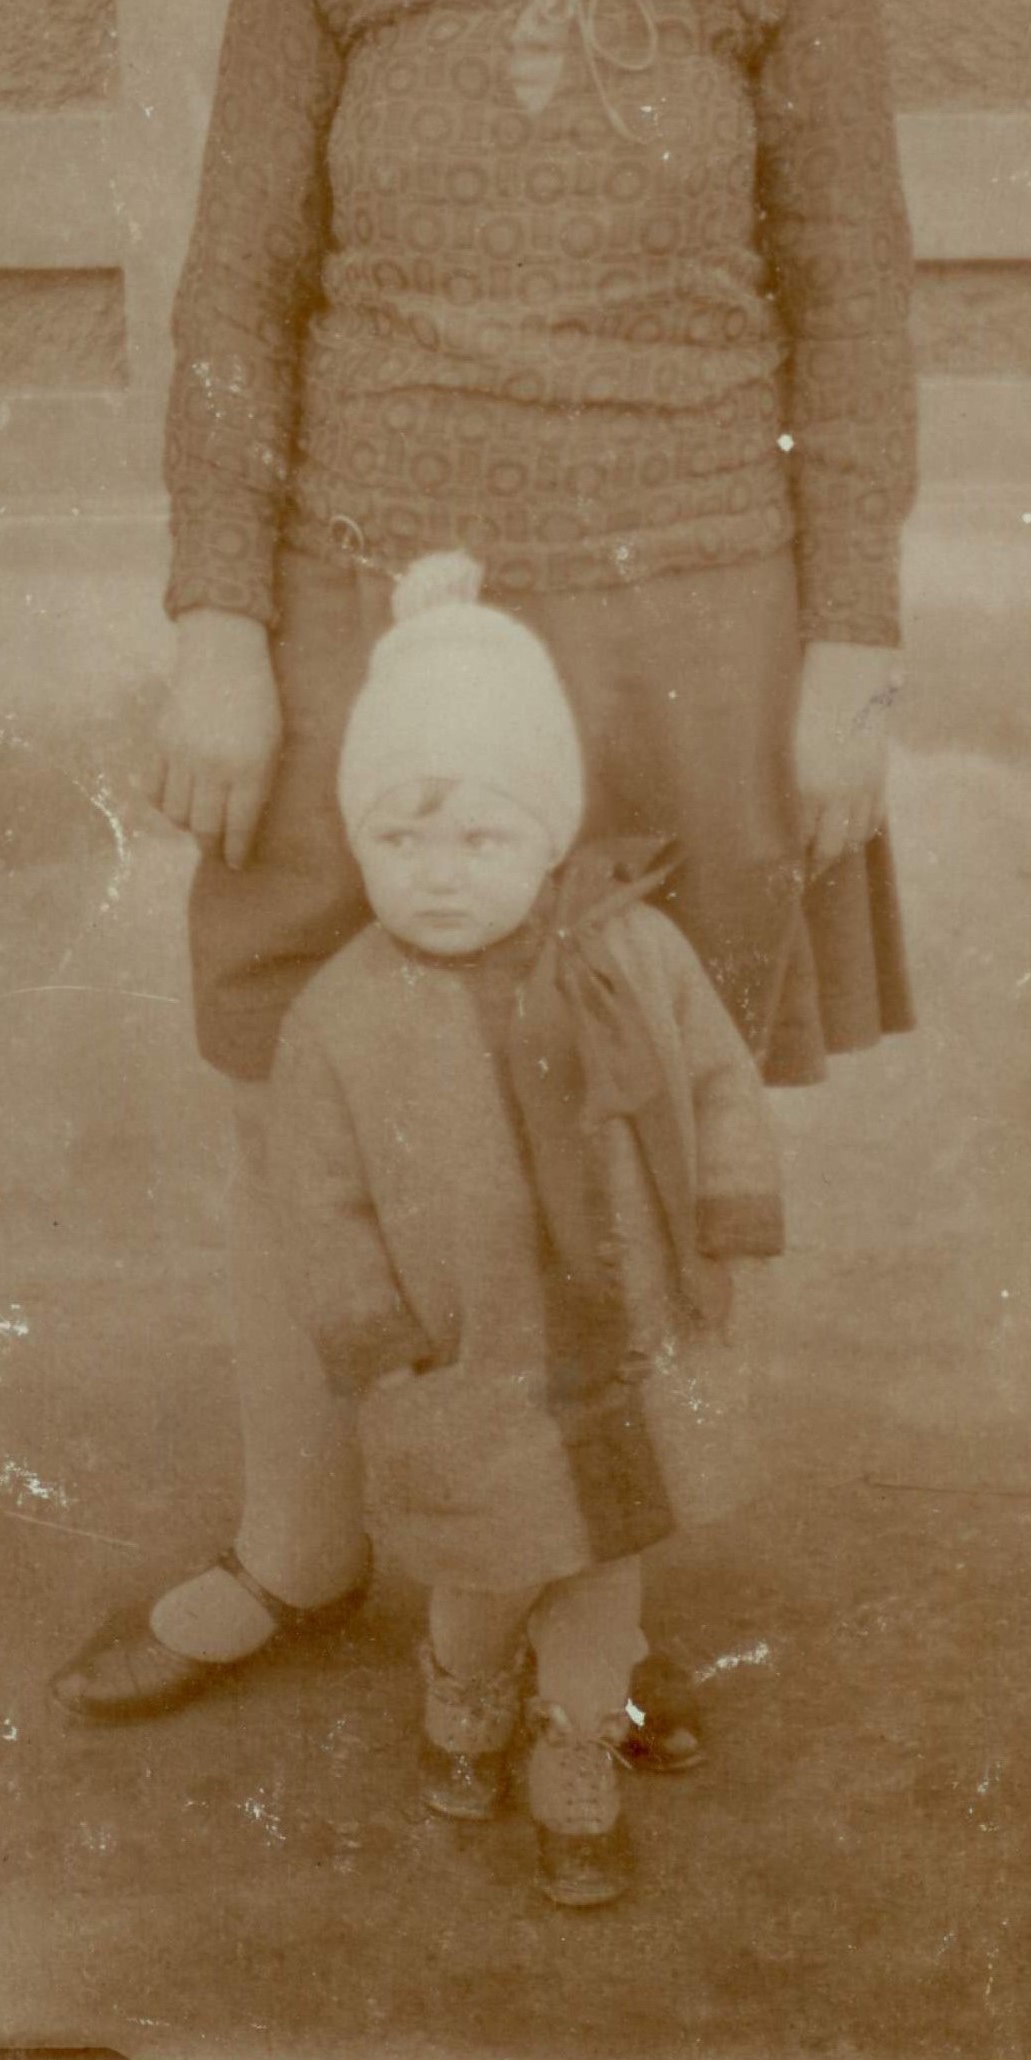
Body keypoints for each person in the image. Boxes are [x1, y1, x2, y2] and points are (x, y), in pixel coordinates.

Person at [50, 0, 915, 1745]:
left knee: (622, 1106)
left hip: (685, 600)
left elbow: (850, 306)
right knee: (309, 1073)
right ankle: (297, 1542)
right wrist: (219, 628)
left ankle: (577, 1608)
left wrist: (848, 645)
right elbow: (236, 300)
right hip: (366, 599)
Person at [262, 551, 782, 1905]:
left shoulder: (632, 955)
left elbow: (718, 1081)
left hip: (630, 1338)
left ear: (548, 832)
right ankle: (465, 1692)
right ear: (361, 843)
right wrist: (378, 1343)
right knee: (486, 1567)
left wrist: (726, 1221)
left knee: (604, 1561)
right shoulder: (341, 1017)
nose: (438, 876)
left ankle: (577, 1751)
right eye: (402, 841)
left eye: (480, 840)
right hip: (467, 1360)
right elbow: (318, 1200)